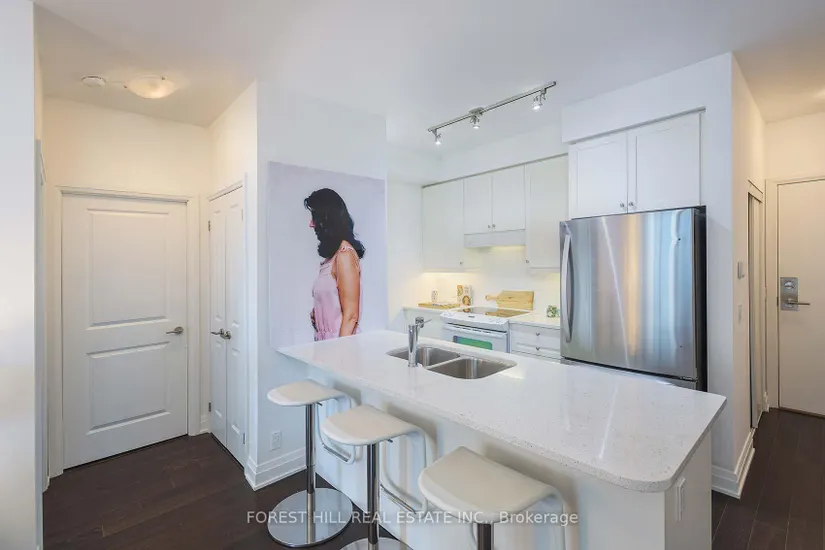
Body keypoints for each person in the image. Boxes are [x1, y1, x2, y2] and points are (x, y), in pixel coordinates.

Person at [304, 188, 365, 340]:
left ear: (327, 219)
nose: (311, 224)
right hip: (325, 345)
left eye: (314, 217)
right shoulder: (331, 259)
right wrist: (320, 316)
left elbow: (351, 316)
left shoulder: (345, 255)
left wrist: (340, 353)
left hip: (340, 349)